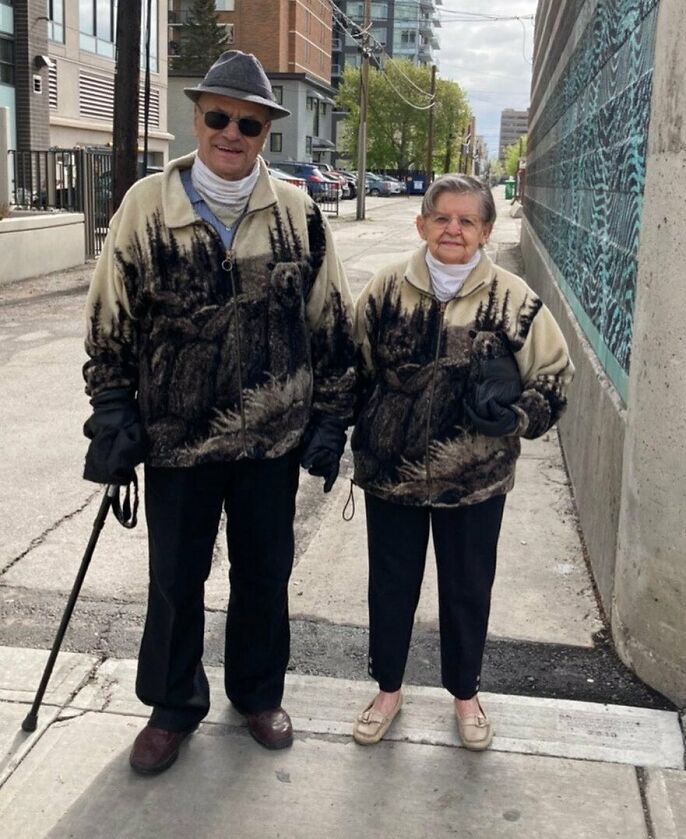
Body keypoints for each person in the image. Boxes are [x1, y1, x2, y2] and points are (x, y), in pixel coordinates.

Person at [82, 51, 355, 775]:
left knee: (265, 573)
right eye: (219, 118)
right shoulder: (146, 206)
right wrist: (112, 409)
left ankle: (257, 694)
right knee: (176, 579)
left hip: (272, 438)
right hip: (177, 439)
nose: (231, 133)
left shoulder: (298, 213)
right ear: (197, 119)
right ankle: (172, 707)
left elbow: (330, 321)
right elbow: (111, 317)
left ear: (265, 131)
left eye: (249, 124)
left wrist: (331, 419)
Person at [350, 174, 573, 750]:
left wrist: (518, 417)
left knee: (468, 589)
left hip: (476, 481)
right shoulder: (384, 289)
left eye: (467, 220)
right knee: (390, 585)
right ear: (421, 223)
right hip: (391, 478)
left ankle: (466, 695)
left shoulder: (514, 299)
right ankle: (387, 690)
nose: (453, 229)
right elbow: (354, 364)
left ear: (486, 231)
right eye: (442, 218)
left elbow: (554, 375)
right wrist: (350, 430)